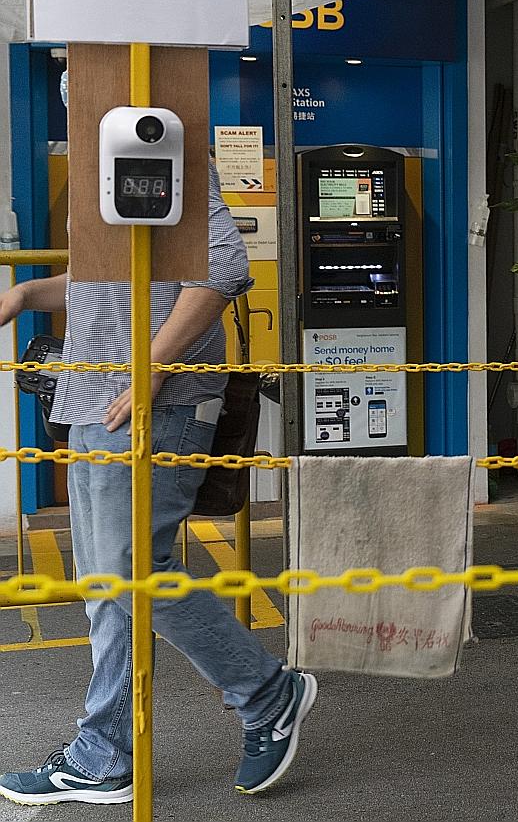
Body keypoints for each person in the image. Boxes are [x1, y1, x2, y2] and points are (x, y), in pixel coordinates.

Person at [0, 163, 316, 806]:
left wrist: (153, 365)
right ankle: (103, 753)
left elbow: (224, 269)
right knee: (107, 587)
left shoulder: (161, 148)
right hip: (92, 402)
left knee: (130, 569)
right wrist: (29, 296)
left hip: (155, 406)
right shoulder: (102, 163)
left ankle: (265, 691)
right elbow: (110, 289)